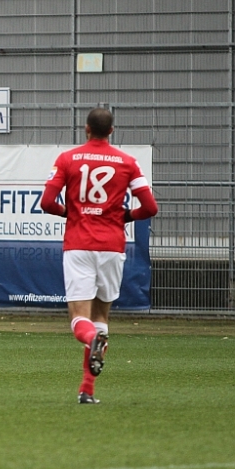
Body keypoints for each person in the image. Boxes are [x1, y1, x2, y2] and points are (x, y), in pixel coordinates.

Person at [41, 107, 158, 404]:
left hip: (79, 244)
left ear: (86, 128)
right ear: (112, 131)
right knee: (100, 317)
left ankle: (90, 338)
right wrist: (124, 216)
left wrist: (70, 212)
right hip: (112, 247)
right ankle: (87, 390)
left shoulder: (67, 159)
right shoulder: (127, 162)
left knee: (80, 318)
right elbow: (150, 208)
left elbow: (47, 202)